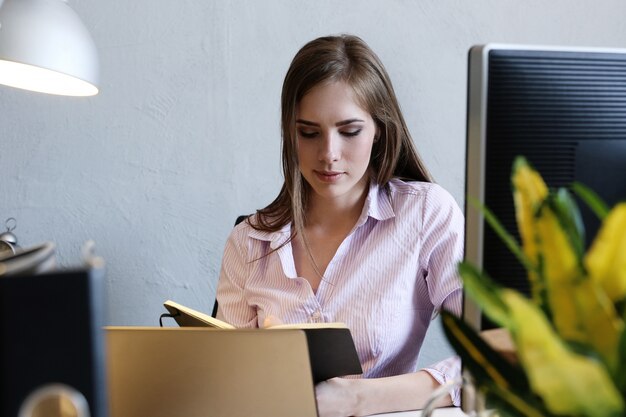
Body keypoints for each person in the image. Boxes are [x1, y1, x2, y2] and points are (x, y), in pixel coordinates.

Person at [216, 34, 464, 417]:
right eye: (309, 133)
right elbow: (223, 385)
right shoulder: (249, 241)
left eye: (349, 131)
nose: (328, 154)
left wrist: (355, 398)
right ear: (290, 132)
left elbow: (493, 361)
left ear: (379, 128)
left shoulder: (426, 214)